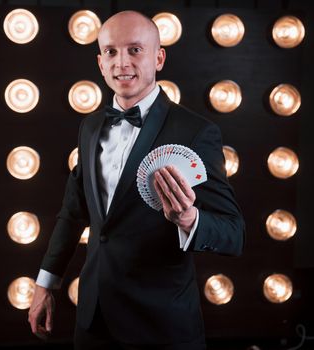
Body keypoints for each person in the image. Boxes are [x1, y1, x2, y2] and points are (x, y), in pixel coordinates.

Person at [28, 10, 245, 350]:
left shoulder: (196, 131)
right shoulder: (90, 127)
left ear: (159, 58)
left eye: (135, 50)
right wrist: (45, 283)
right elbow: (72, 214)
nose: (121, 62)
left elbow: (233, 232)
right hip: (93, 320)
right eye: (111, 52)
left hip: (161, 326)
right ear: (100, 63)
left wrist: (189, 219)